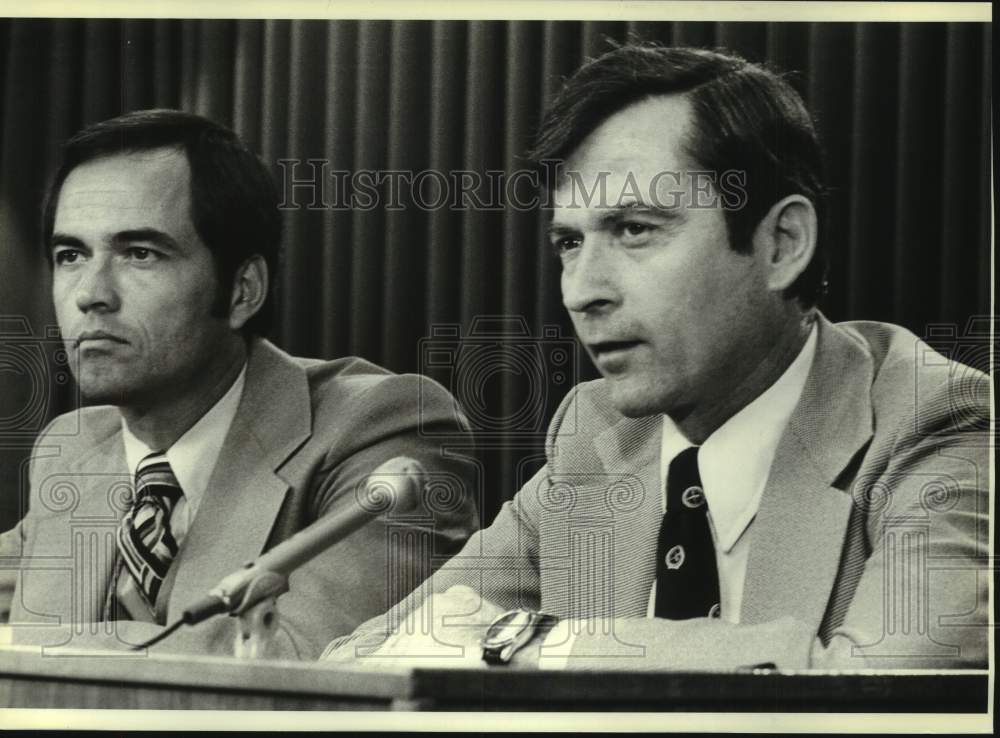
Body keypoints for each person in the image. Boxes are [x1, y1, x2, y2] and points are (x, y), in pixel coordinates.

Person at [323, 44, 989, 670]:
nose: (582, 292)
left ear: (782, 243)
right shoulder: (597, 432)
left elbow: (875, 697)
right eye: (569, 244)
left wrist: (536, 644)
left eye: (634, 230)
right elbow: (359, 665)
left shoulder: (942, 422)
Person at [0, 110, 479, 660]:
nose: (90, 293)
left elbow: (303, 671)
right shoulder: (74, 445)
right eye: (71, 255)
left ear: (243, 290)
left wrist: (40, 648)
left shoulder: (382, 427)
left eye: (140, 254)